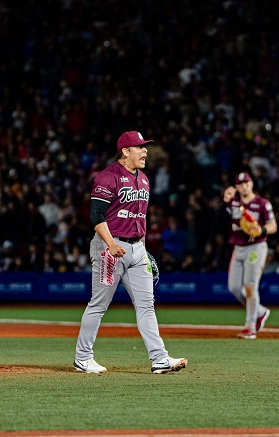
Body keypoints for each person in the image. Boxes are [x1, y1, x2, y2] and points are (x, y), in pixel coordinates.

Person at [74, 131, 187, 374]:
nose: (145, 151)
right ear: (125, 151)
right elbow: (96, 215)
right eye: (139, 147)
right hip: (109, 248)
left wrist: (143, 250)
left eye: (145, 146)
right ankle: (82, 358)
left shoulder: (144, 179)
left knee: (147, 305)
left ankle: (159, 359)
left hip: (136, 249)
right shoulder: (108, 177)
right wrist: (110, 244)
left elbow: (140, 218)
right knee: (99, 304)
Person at [222, 171, 277, 339]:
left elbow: (273, 225)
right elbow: (222, 214)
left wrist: (262, 230)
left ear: (251, 183)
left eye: (246, 183)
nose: (244, 186)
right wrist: (226, 197)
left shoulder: (262, 203)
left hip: (256, 247)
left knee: (250, 285)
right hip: (238, 247)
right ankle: (259, 311)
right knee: (234, 287)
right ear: (237, 187)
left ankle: (250, 326)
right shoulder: (233, 203)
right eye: (240, 184)